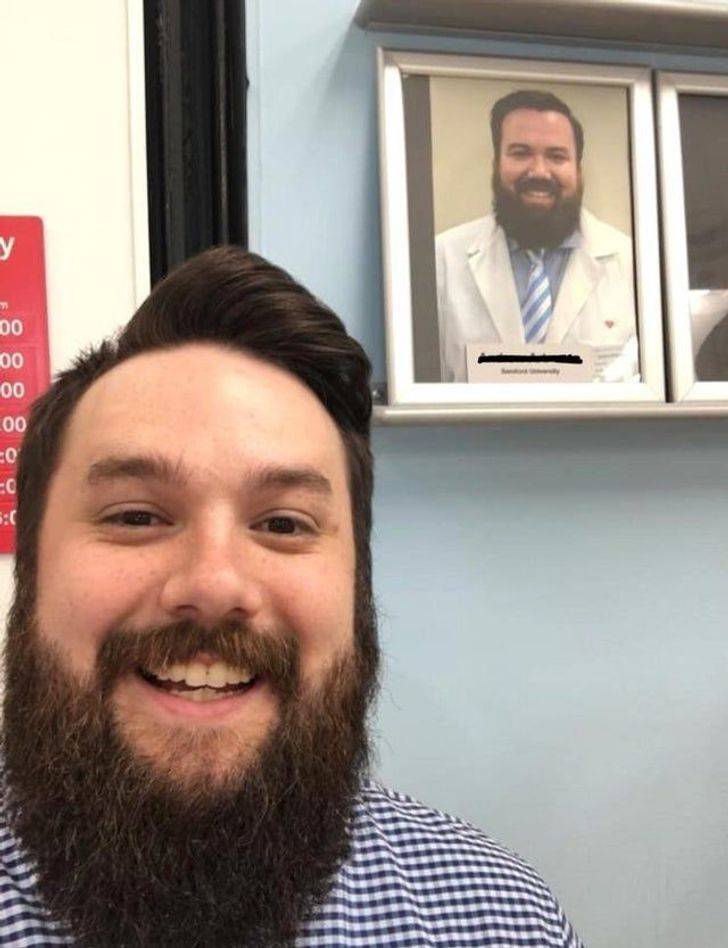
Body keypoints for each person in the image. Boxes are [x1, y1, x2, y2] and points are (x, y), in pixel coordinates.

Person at [0, 246, 583, 947]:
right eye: (135, 517)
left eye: (283, 524)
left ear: (358, 585)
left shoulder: (506, 924)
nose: (214, 584)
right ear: (31, 570)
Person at [436, 89, 637, 383]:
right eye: (521, 153)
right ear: (496, 163)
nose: (539, 171)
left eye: (557, 156)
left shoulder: (634, 263)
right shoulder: (441, 259)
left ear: (578, 171)